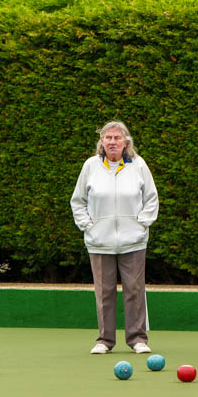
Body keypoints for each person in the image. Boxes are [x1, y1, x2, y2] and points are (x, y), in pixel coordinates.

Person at [70, 121, 159, 355]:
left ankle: (138, 339)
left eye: (116, 138)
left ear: (125, 142)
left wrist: (141, 224)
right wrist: (88, 226)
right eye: (107, 138)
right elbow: (78, 201)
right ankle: (105, 340)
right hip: (99, 242)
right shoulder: (90, 166)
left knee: (134, 289)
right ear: (101, 142)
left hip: (133, 241)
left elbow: (151, 198)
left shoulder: (138, 165)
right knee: (104, 291)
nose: (111, 142)